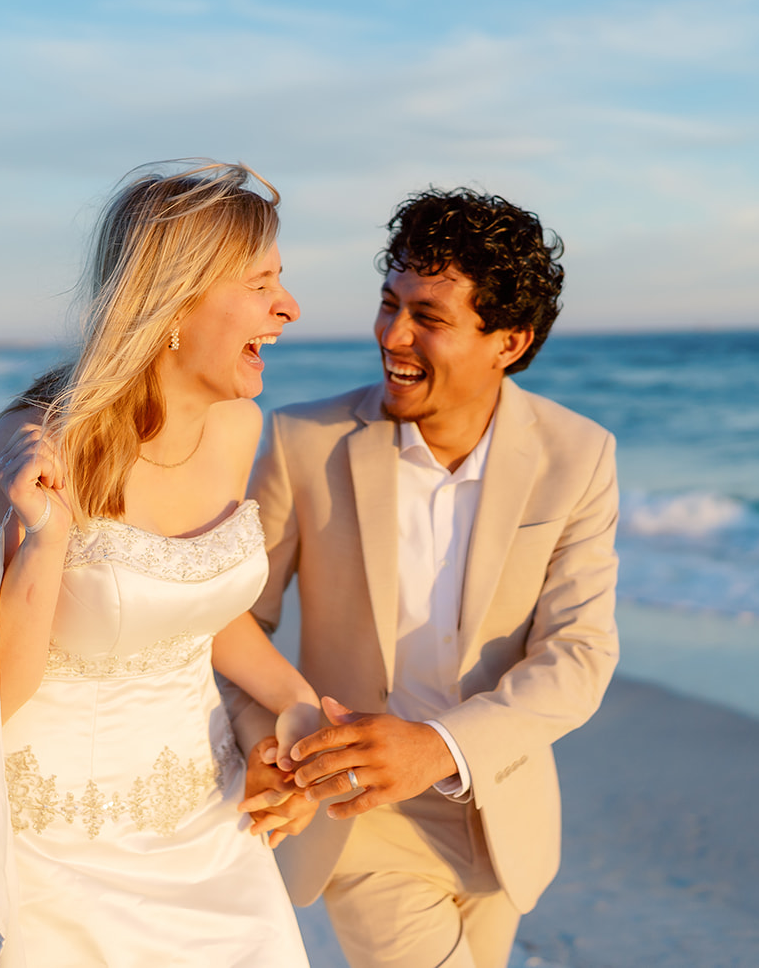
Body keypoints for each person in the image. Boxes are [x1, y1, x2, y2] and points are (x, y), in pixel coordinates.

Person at [0, 162, 318, 967]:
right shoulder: (29, 450)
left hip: (208, 826)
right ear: (175, 298)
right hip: (52, 855)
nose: (289, 306)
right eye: (262, 281)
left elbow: (198, 609)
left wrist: (293, 702)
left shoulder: (238, 425)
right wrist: (47, 535)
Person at [231, 188, 620, 968]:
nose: (393, 335)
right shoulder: (305, 440)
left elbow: (578, 654)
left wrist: (438, 747)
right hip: (359, 815)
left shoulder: (579, 456)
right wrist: (268, 732)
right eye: (389, 303)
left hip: (500, 815)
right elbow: (237, 618)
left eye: (429, 317)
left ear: (509, 339)